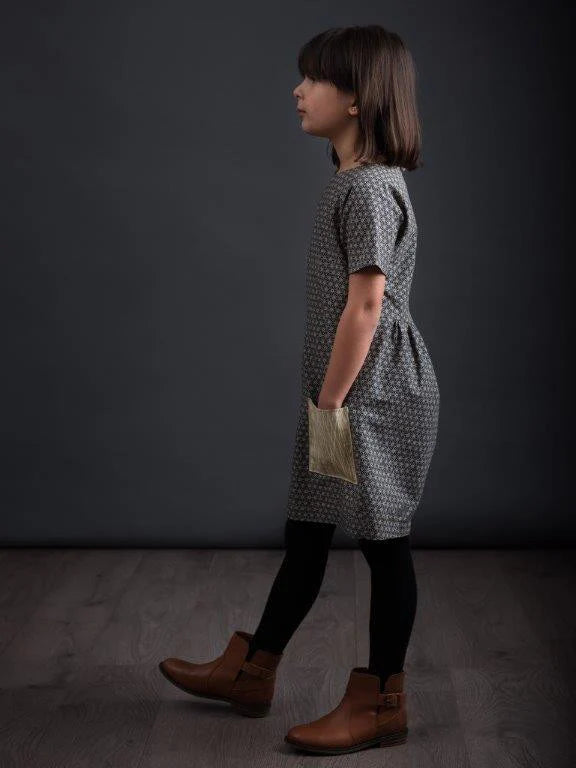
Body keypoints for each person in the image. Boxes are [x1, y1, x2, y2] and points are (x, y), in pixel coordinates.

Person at [159, 24, 440, 756]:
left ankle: (381, 702)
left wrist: (332, 401)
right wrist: (327, 401)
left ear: (357, 99)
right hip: (341, 397)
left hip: (370, 400)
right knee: (309, 533)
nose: (297, 90)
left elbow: (367, 305)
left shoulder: (370, 187)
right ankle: (253, 671)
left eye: (313, 79)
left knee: (384, 545)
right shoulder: (350, 181)